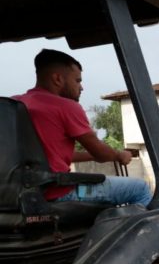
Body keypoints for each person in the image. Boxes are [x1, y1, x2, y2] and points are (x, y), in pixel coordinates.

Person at [13, 49, 151, 207]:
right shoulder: (66, 106)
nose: (81, 87)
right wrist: (119, 155)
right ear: (58, 79)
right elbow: (100, 152)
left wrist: (91, 156)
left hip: (19, 196)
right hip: (62, 194)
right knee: (140, 189)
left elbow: (50, 156)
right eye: (77, 81)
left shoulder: (15, 104)